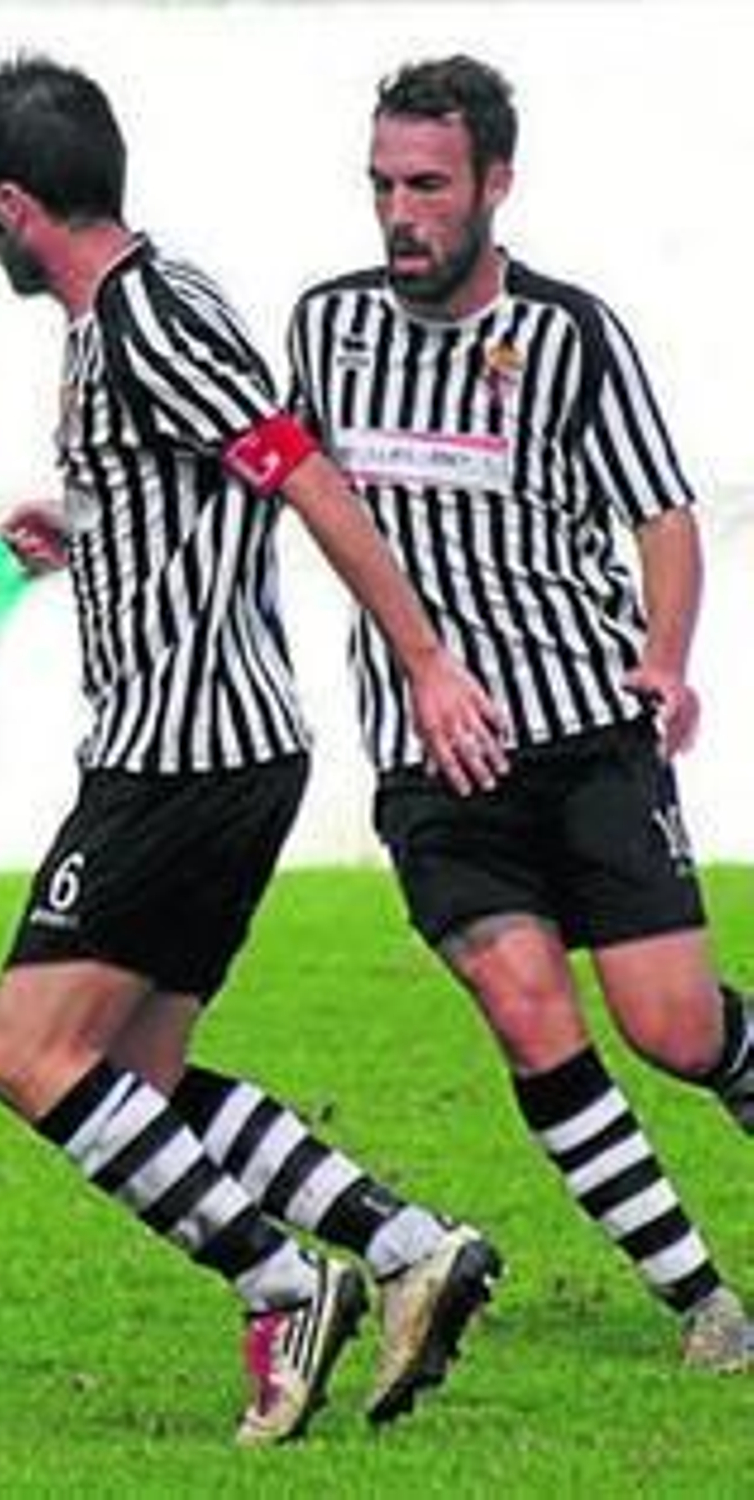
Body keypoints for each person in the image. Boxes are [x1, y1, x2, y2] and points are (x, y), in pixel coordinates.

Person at [0, 54, 509, 1447]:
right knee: (132, 1085)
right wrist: (88, 527)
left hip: (179, 757)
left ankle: (280, 1286)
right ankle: (404, 1248)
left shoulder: (146, 316)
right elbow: (209, 486)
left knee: (24, 1052)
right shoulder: (129, 317)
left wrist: (427, 659)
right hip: (215, 753)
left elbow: (300, 474)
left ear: (11, 205)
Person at [286, 53, 754, 1372]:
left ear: (496, 183)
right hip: (433, 761)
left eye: (428, 186)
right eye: (383, 185)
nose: (400, 214)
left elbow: (662, 513)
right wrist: (81, 518)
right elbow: (269, 468)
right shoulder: (327, 326)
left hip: (589, 738)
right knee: (528, 1011)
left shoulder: (569, 336)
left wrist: (667, 660)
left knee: (674, 1027)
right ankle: (707, 1307)